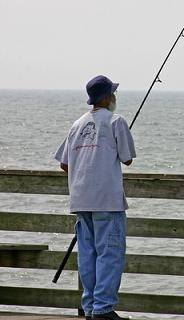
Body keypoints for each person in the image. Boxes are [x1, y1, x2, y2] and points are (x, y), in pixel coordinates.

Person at [54, 75, 136, 320]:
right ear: (106, 97)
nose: (115, 97)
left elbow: (64, 165)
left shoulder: (77, 124)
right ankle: (103, 309)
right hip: (107, 200)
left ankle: (90, 307)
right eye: (113, 93)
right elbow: (128, 158)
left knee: (88, 255)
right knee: (110, 253)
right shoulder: (116, 121)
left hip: (81, 199)